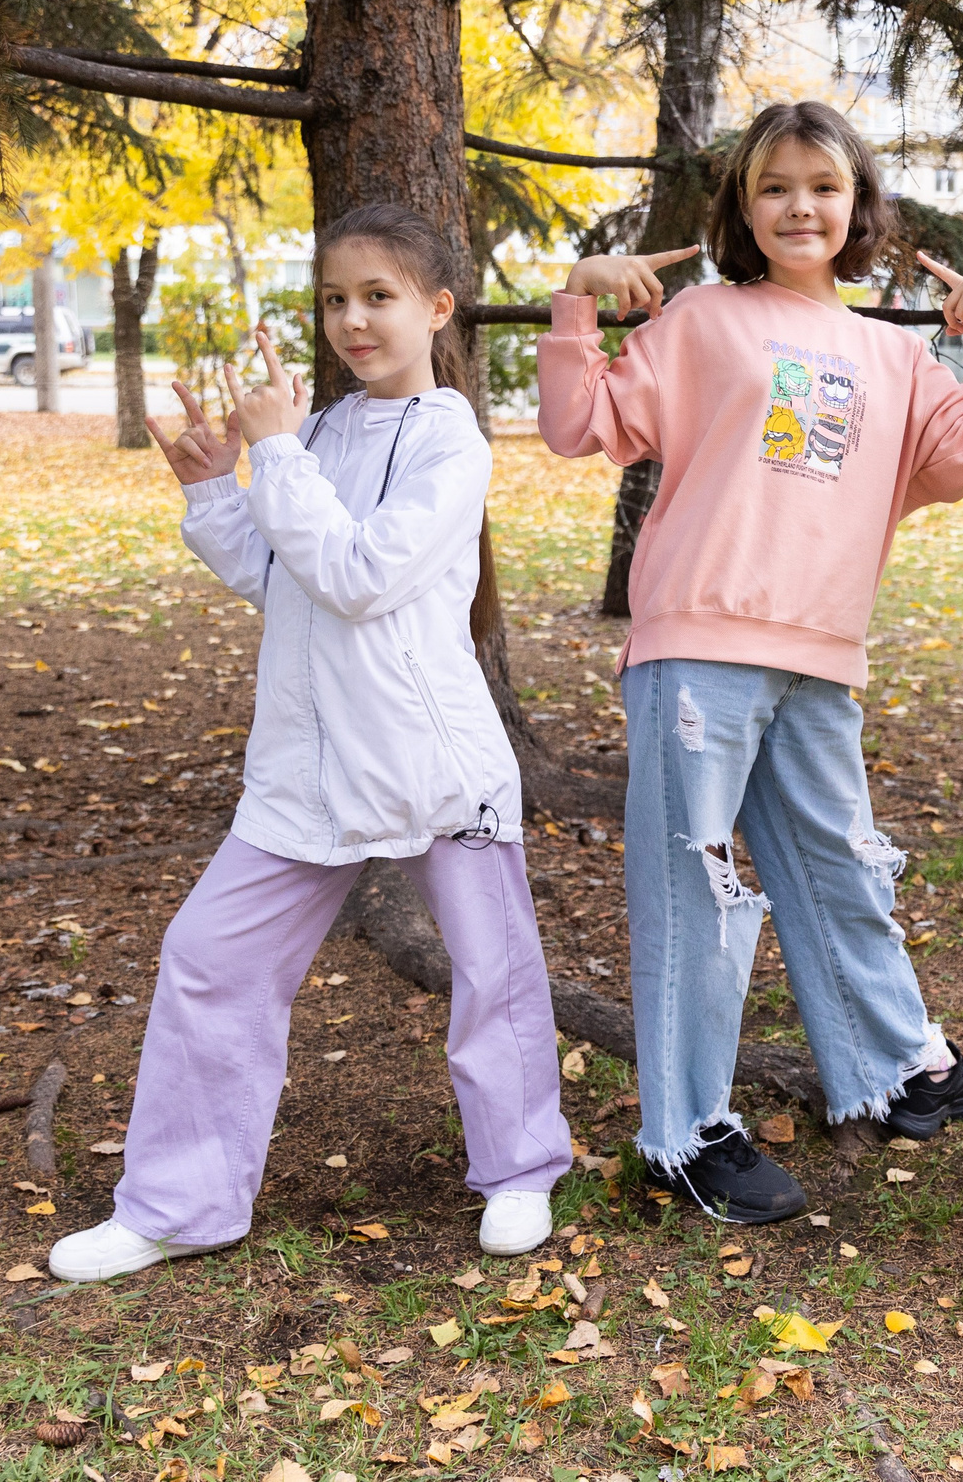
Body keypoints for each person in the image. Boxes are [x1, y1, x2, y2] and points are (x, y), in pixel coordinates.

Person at [537, 100, 963, 1222]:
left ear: (859, 207)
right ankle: (683, 1134)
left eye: (823, 185)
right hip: (699, 647)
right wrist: (579, 299)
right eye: (774, 186)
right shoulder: (700, 324)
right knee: (697, 891)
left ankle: (891, 1068)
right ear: (742, 209)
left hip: (821, 654)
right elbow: (577, 425)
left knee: (839, 863)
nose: (799, 205)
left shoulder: (893, 355)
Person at [48, 204, 573, 1280]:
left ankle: (519, 1171)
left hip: (432, 765)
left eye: (378, 297)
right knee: (208, 958)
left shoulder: (450, 439)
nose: (352, 320)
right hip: (307, 769)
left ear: (436, 309)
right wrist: (210, 482)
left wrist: (274, 450)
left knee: (492, 970)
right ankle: (179, 1204)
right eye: (334, 299)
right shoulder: (325, 430)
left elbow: (360, 577)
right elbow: (282, 573)